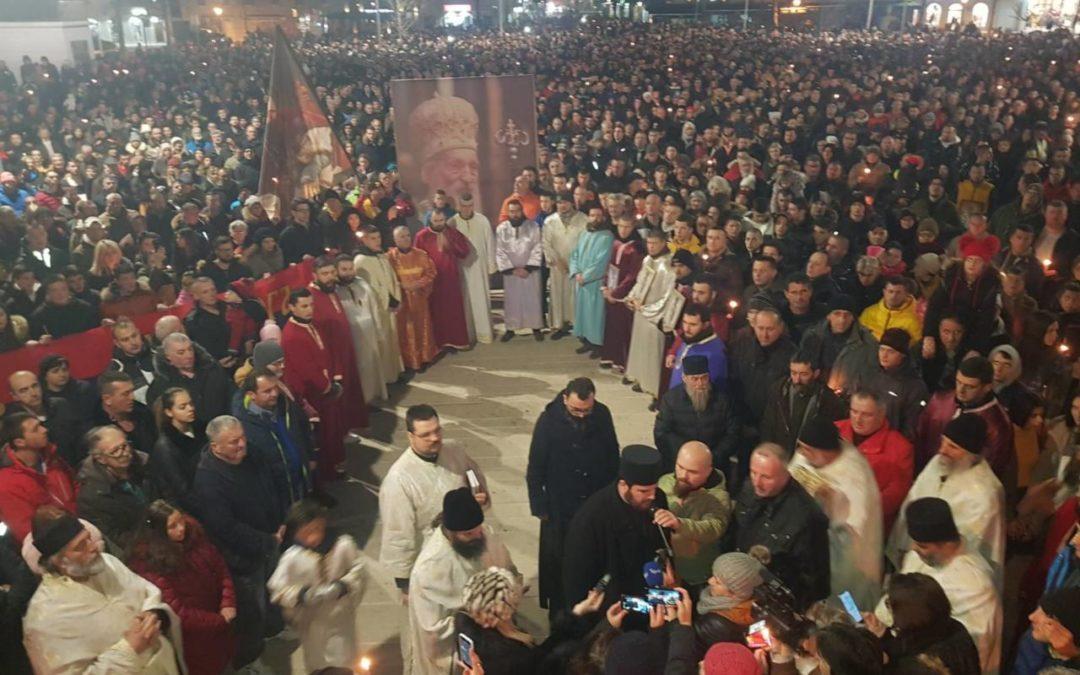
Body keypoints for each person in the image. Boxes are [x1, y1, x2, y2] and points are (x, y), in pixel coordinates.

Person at [22, 510, 184, 674]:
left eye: (88, 538)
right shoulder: (44, 618)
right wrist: (129, 650)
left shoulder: (108, 563)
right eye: (80, 546)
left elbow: (147, 592)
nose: (93, 547)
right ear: (59, 562)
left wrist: (153, 613)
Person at [194, 415, 286, 670]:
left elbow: (272, 484)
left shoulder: (250, 454)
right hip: (242, 557)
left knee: (273, 592)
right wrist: (267, 540)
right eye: (234, 442)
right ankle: (251, 658)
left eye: (242, 437)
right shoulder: (208, 481)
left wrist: (280, 520)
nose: (242, 444)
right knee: (251, 609)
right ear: (216, 447)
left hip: (270, 539)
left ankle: (274, 629)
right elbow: (226, 528)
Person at [526, 377, 619, 620]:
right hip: (560, 507)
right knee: (560, 563)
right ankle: (560, 613)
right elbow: (535, 467)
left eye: (586, 410)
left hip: (594, 502)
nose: (581, 415)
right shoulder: (548, 422)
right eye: (576, 410)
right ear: (565, 398)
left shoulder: (602, 415)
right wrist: (540, 507)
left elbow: (612, 456)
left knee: (592, 559)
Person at [878, 497, 1001, 674]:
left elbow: (974, 651)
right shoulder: (919, 556)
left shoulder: (976, 587)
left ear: (946, 543)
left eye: (922, 545)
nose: (913, 548)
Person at [380, 404, 489, 597]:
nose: (435, 438)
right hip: (433, 560)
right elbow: (397, 532)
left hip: (467, 547)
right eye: (426, 434)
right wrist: (403, 580)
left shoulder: (454, 450)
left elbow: (472, 472)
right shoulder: (399, 479)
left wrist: (477, 494)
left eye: (437, 430)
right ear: (410, 436)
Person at [408, 487, 519, 675]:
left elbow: (507, 570)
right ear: (451, 533)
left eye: (478, 531)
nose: (477, 538)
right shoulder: (431, 567)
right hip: (463, 647)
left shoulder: (484, 535)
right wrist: (481, 616)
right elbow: (433, 630)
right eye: (468, 534)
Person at [888, 414, 1006, 588]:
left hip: (951, 577)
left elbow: (971, 545)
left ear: (971, 454)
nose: (942, 450)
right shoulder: (937, 464)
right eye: (943, 441)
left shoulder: (984, 494)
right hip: (915, 557)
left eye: (953, 447)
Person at [127, 500, 238, 675]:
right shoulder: (150, 563)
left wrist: (227, 603)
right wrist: (219, 620)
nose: (181, 528)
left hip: (220, 621)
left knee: (225, 660)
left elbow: (220, 568)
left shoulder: (195, 539)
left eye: (181, 521)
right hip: (194, 639)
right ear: (158, 531)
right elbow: (177, 611)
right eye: (172, 526)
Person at [789, 414, 883, 608]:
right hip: (807, 543)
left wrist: (829, 500)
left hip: (842, 551)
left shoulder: (854, 475)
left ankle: (851, 621)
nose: (801, 453)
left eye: (807, 450)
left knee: (845, 595)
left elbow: (856, 527)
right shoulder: (806, 454)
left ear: (826, 451)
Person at [561, 445, 670, 611]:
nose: (652, 496)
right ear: (623, 484)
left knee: (680, 602)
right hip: (615, 605)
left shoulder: (657, 499)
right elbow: (578, 580)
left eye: (654, 488)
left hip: (650, 594)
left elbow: (660, 545)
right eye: (643, 491)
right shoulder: (592, 519)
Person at [268, 499, 367, 675]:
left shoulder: (343, 545)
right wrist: (302, 595)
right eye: (305, 533)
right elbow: (277, 588)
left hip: (341, 622)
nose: (312, 537)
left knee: (343, 662)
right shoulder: (292, 558)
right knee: (318, 664)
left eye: (316, 529)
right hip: (313, 624)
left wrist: (343, 585)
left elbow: (359, 569)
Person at [729, 443, 830, 609]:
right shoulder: (749, 488)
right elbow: (735, 530)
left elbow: (814, 577)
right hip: (740, 582)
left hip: (774, 597)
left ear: (786, 473)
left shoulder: (807, 516)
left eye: (766, 477)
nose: (757, 482)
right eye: (753, 472)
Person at [281, 288, 351, 481]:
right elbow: (307, 369)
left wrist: (335, 377)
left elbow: (325, 352)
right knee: (323, 434)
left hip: (325, 388)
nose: (309, 309)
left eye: (311, 305)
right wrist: (328, 387)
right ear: (292, 308)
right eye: (304, 306)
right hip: (313, 393)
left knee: (332, 428)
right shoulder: (291, 334)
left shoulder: (312, 325)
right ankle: (328, 471)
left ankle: (336, 462)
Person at [916, 355, 1016, 491]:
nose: (960, 390)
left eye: (970, 386)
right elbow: (921, 437)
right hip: (928, 479)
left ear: (987, 387)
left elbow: (992, 468)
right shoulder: (940, 400)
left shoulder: (998, 425)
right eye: (958, 382)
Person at [863, 572, 982, 675]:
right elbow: (910, 648)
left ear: (907, 615)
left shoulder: (924, 665)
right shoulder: (950, 626)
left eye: (890, 604)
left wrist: (878, 657)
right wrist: (883, 636)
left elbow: (903, 663)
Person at [656, 441, 733, 587]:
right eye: (680, 467)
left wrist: (679, 524)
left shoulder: (718, 497)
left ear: (708, 471)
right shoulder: (665, 482)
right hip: (666, 567)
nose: (683, 475)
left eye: (692, 472)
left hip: (696, 573)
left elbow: (713, 527)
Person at [237, 368, 315, 510]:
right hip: (277, 494)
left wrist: (309, 457)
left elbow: (304, 430)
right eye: (267, 391)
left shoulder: (286, 406)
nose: (274, 394)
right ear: (251, 395)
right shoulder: (243, 424)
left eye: (275, 388)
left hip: (300, 483)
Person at [307, 255, 368, 435]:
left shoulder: (331, 290)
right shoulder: (310, 297)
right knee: (336, 400)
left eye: (333, 272)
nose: (330, 277)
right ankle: (340, 433)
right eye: (324, 273)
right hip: (331, 359)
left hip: (344, 352)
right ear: (314, 275)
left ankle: (349, 427)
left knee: (349, 393)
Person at [837, 390, 914, 531]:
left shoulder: (900, 448)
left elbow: (895, 495)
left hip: (867, 526)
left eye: (866, 415)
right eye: (854, 411)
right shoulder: (834, 430)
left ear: (881, 414)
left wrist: (858, 510)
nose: (858, 419)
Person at [654, 354, 741, 476]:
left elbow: (733, 433)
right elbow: (661, 433)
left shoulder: (723, 400)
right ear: (684, 378)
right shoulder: (671, 399)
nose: (700, 383)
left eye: (704, 378)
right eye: (694, 379)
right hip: (680, 465)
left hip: (714, 464)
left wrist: (711, 457)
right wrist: (688, 457)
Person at [626, 230, 686, 401]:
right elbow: (640, 282)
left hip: (655, 315)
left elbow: (667, 296)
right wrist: (632, 297)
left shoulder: (668, 265)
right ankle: (641, 379)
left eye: (654, 243)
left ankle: (654, 388)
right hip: (641, 310)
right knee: (640, 347)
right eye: (649, 243)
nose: (651, 247)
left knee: (654, 352)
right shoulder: (647, 260)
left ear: (663, 243)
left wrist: (647, 309)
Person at [76, 424, 155, 552]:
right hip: (140, 550)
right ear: (100, 459)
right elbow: (114, 536)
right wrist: (152, 539)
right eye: (115, 451)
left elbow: (166, 493)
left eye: (125, 446)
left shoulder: (142, 463)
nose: (125, 453)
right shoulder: (93, 496)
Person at [0, 412, 77, 543]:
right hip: (60, 545)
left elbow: (74, 484)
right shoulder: (7, 484)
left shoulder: (51, 458)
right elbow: (27, 533)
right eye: (36, 429)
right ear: (20, 442)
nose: (44, 430)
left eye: (41, 425)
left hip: (81, 527)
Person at [760, 350, 847, 456]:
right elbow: (768, 425)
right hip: (780, 455)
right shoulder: (779, 390)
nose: (797, 380)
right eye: (793, 373)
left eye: (804, 374)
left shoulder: (828, 401)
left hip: (807, 460)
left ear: (816, 373)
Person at [728, 306, 797, 436]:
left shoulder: (791, 355)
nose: (764, 335)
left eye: (770, 329)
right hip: (742, 419)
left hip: (771, 424)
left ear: (780, 328)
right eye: (760, 328)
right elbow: (733, 378)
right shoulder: (742, 345)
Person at [415, 209, 474, 351]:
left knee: (453, 310)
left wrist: (451, 245)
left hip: (450, 278)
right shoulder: (421, 236)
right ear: (430, 220)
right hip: (432, 280)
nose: (439, 224)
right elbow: (417, 257)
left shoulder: (452, 233)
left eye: (442, 220)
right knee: (436, 312)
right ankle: (438, 343)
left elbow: (464, 253)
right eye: (436, 221)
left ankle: (455, 341)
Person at [353, 225, 406, 384]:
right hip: (378, 309)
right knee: (382, 342)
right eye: (373, 238)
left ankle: (394, 373)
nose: (377, 241)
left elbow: (391, 278)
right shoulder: (361, 260)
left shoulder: (381, 256)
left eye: (379, 238)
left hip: (390, 305)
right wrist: (388, 300)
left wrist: (396, 297)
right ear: (364, 240)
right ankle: (385, 378)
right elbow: (368, 288)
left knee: (392, 340)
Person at [146, 331, 234, 424]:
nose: (189, 355)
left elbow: (232, 394)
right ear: (168, 357)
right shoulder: (161, 386)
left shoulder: (212, 369)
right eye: (181, 352)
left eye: (190, 349)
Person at [336, 253, 389, 401]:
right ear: (337, 271)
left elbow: (373, 308)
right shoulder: (334, 291)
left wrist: (379, 332)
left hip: (369, 332)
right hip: (352, 336)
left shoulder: (362, 284)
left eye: (351, 268)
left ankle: (373, 395)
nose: (348, 272)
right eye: (344, 269)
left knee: (372, 366)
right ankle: (362, 400)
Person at [5, 369, 83, 467]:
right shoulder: (14, 423)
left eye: (35, 386)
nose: (33, 393)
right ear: (14, 396)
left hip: (76, 465)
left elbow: (80, 436)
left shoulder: (60, 405)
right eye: (24, 390)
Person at [388, 225, 440, 370]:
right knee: (405, 330)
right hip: (401, 299)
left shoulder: (421, 254)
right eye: (401, 236)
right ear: (395, 239)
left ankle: (424, 357)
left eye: (407, 235)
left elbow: (431, 273)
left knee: (421, 327)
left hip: (419, 297)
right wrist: (402, 285)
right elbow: (386, 279)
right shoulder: (390, 258)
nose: (406, 239)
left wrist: (418, 284)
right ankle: (408, 361)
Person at [149, 387, 207, 518]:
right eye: (183, 407)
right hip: (198, 508)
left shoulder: (201, 429)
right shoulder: (166, 447)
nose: (190, 408)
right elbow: (181, 489)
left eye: (191, 404)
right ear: (169, 412)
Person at [448, 193, 496, 344]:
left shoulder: (482, 220)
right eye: (463, 206)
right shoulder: (452, 222)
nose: (467, 209)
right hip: (462, 269)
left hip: (479, 267)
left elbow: (490, 243)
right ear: (459, 206)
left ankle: (484, 333)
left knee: (481, 299)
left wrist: (491, 265)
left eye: (469, 206)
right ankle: (468, 334)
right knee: (465, 301)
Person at [599, 216, 645, 371]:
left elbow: (633, 275)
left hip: (624, 295)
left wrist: (617, 293)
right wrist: (605, 287)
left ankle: (623, 361)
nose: (623, 230)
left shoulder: (636, 248)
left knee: (623, 328)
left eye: (627, 227)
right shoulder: (615, 244)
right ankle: (610, 356)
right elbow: (609, 267)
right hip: (611, 291)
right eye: (621, 226)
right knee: (611, 326)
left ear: (633, 228)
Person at [569, 203, 615, 356]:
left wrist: (586, 276)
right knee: (583, 313)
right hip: (581, 280)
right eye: (593, 215)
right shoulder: (585, 233)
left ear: (603, 218)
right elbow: (575, 254)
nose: (595, 218)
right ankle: (586, 342)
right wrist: (576, 272)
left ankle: (597, 345)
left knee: (595, 315)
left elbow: (601, 261)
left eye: (598, 216)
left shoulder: (607, 236)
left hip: (594, 282)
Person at [496, 199, 545, 342]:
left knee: (532, 299)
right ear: (508, 212)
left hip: (530, 272)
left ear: (521, 210)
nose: (515, 214)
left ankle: (536, 327)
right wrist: (512, 269)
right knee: (512, 301)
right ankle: (511, 328)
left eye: (517, 211)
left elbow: (538, 247)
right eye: (512, 211)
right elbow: (500, 251)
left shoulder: (533, 226)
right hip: (512, 273)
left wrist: (528, 268)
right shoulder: (502, 229)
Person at [869, 327, 929, 441]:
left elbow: (912, 425)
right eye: (882, 349)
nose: (884, 355)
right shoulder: (872, 374)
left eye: (891, 351)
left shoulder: (914, 386)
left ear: (903, 355)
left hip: (892, 443)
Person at [544, 192, 587, 338]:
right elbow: (546, 244)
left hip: (577, 265)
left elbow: (585, 242)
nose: (562, 206)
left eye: (565, 202)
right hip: (558, 266)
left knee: (575, 295)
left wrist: (576, 263)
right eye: (559, 203)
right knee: (558, 294)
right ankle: (558, 325)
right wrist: (557, 261)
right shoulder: (550, 221)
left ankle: (577, 325)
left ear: (572, 203)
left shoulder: (583, 219)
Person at [92, 369, 159, 458]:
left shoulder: (143, 412)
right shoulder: (97, 429)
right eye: (125, 394)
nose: (132, 397)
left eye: (132, 391)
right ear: (107, 399)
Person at [1016, 586, 1080, 673]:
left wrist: (1073, 656)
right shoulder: (1032, 640)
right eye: (1038, 608)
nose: (1031, 617)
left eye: (1048, 615)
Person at [666, 303, 727, 391]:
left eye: (693, 324)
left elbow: (710, 391)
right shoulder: (690, 338)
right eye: (684, 322)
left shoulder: (715, 354)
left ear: (705, 325)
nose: (686, 329)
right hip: (674, 399)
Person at [106, 318, 156, 404]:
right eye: (125, 340)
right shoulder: (115, 372)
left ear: (139, 333)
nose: (133, 342)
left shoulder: (158, 356)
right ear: (117, 343)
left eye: (134, 336)